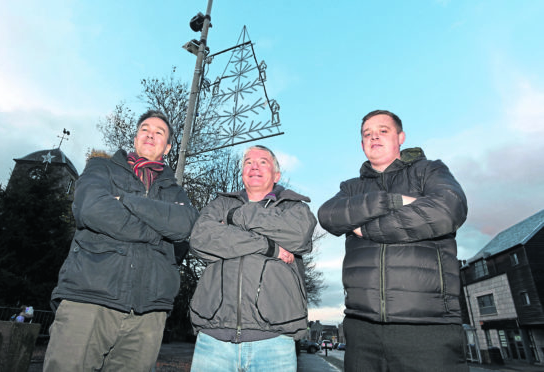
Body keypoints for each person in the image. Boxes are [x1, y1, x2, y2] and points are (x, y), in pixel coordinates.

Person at [43, 109, 199, 372]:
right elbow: (92, 210)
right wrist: (160, 232)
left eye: (159, 132)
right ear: (136, 137)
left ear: (168, 147)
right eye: (145, 129)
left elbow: (186, 228)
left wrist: (126, 202)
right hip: (89, 298)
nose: (150, 134)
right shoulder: (101, 167)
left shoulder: (176, 191)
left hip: (149, 313)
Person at [318, 110, 469, 372]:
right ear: (362, 144)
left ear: (401, 137)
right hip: (361, 328)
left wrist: (366, 229)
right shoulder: (351, 187)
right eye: (367, 133)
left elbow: (447, 209)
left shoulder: (429, 171)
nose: (373, 136)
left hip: (427, 327)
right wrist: (392, 201)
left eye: (383, 130)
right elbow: (328, 215)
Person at [188, 145, 317, 372]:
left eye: (263, 162)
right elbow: (200, 238)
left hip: (275, 340)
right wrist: (269, 247)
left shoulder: (293, 207)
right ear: (242, 173)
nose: (254, 166)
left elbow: (298, 235)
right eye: (248, 162)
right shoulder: (220, 204)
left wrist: (234, 217)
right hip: (213, 338)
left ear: (276, 175)